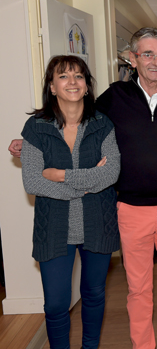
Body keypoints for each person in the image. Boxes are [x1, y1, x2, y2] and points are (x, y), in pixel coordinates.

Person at [9, 28, 157, 348]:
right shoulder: (115, 96)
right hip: (129, 208)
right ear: (133, 57)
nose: (155, 61)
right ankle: (143, 345)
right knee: (138, 288)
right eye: (148, 54)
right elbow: (76, 116)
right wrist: (30, 142)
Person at [20, 55, 120, 349]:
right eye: (63, 76)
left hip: (97, 223)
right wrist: (86, 183)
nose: (72, 82)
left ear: (87, 86)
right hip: (54, 228)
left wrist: (59, 175)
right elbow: (33, 181)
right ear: (51, 87)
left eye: (78, 76)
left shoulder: (103, 124)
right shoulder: (36, 128)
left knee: (93, 295)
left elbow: (110, 174)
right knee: (55, 303)